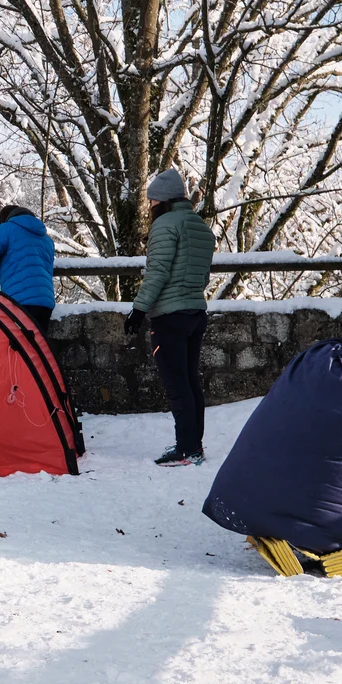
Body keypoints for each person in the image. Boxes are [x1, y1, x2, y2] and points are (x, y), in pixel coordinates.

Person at [123, 168, 216, 466]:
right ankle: (194, 446)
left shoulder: (164, 225)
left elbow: (158, 272)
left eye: (151, 201)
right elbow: (203, 277)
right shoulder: (201, 227)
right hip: (195, 312)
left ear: (162, 200)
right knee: (190, 382)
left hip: (170, 317)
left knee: (177, 386)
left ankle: (185, 450)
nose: (149, 207)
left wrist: (138, 309)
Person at [0, 200, 57, 333]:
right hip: (45, 302)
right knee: (39, 349)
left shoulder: (6, 229)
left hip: (19, 300)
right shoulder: (46, 239)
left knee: (20, 348)